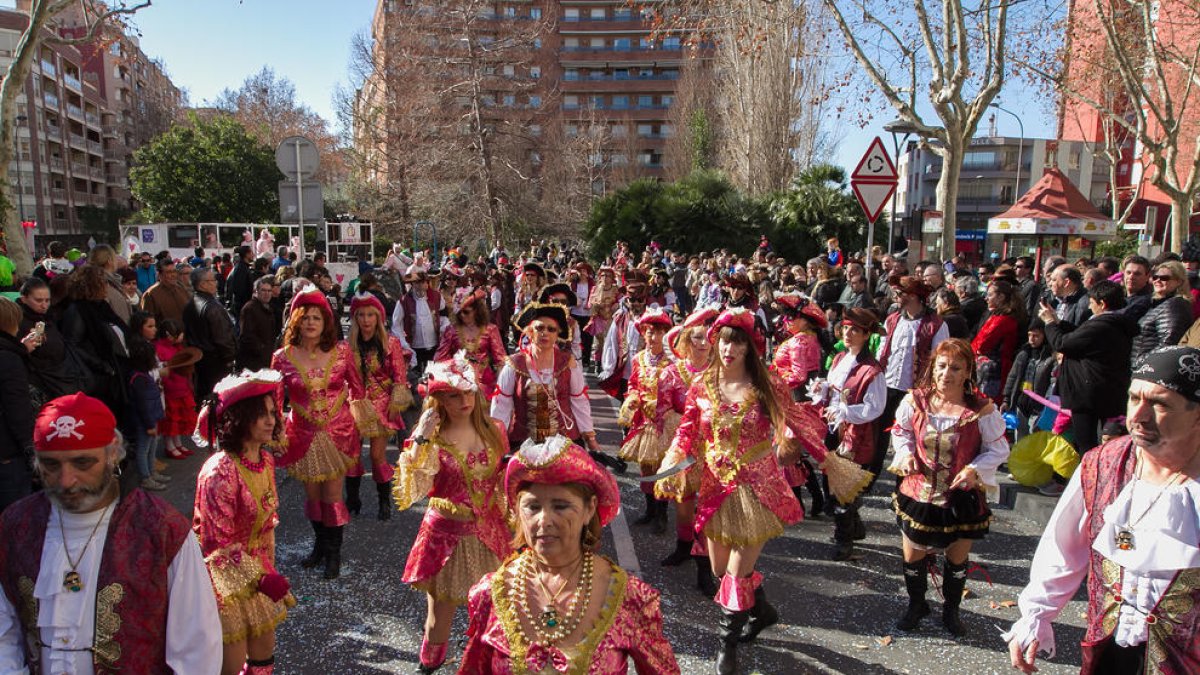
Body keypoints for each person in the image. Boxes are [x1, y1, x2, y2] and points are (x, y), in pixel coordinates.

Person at [659, 308, 840, 674]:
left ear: (749, 347)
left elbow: (796, 422)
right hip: (715, 488)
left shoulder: (766, 385)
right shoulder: (702, 386)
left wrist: (829, 463)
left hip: (757, 487)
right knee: (719, 568)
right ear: (715, 343)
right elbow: (687, 431)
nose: (729, 349)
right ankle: (763, 610)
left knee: (737, 573)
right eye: (725, 341)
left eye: (737, 342)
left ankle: (726, 647)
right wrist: (671, 458)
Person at [1005, 345, 1200, 675]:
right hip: (1107, 651)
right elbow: (1062, 547)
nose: (1138, 415)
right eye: (1134, 398)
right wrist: (1036, 617)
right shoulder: (1103, 463)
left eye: (1160, 404)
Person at [0, 392, 223, 672]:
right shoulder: (15, 524)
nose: (66, 481)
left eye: (83, 463)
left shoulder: (161, 528)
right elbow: (4, 629)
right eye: (51, 465)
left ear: (112, 451)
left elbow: (197, 647)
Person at [459, 435, 680, 674]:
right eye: (533, 507)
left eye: (561, 506)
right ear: (517, 511)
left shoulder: (629, 599)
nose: (544, 521)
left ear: (589, 509)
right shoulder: (491, 594)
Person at [394, 355, 510, 673]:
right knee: (438, 620)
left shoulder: (495, 430)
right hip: (445, 539)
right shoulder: (433, 437)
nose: (464, 401)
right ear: (440, 399)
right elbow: (412, 488)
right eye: (454, 395)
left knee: (493, 616)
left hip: (488, 535)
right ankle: (429, 667)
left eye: (468, 392)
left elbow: (503, 485)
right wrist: (421, 437)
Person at [888, 339, 1010, 636]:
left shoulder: (981, 410)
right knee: (913, 556)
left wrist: (973, 469)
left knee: (956, 558)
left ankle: (951, 611)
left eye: (955, 368)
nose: (946, 374)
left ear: (968, 371)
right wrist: (904, 455)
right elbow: (901, 432)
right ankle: (917, 605)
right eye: (941, 366)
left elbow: (998, 449)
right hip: (918, 492)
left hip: (959, 498)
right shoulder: (914, 401)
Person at [193, 370, 296, 675]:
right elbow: (215, 545)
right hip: (222, 584)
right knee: (231, 665)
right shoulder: (220, 472)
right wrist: (261, 579)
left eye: (271, 413)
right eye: (260, 415)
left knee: (264, 656)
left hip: (256, 569)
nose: (272, 421)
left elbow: (265, 526)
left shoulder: (264, 459)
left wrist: (267, 570)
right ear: (239, 419)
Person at [271, 288, 358, 580]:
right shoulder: (282, 358)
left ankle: (334, 554)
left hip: (339, 433)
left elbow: (358, 390)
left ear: (326, 321)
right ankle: (320, 546)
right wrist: (275, 432)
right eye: (305, 317)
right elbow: (274, 401)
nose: (310, 322)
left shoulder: (342, 352)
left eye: (316, 317)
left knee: (332, 495)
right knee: (312, 497)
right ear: (295, 320)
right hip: (302, 435)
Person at [491, 302, 619, 471]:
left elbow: (579, 402)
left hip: (564, 442)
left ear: (558, 334)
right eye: (540, 328)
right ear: (530, 331)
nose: (545, 333)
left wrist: (591, 440)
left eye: (551, 329)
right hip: (523, 443)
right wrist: (498, 444)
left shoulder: (567, 363)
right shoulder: (514, 364)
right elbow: (501, 406)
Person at [808, 307, 886, 562]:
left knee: (842, 488)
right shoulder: (840, 357)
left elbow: (874, 408)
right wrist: (822, 390)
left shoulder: (872, 370)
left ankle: (845, 539)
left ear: (866, 335)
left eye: (855, 330)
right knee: (833, 481)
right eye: (845, 328)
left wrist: (844, 411)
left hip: (854, 434)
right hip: (833, 429)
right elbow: (833, 390)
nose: (848, 333)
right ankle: (854, 525)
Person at [1040, 281, 1138, 454]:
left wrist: (1049, 323)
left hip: (1088, 394)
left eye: (1092, 303)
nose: (1090, 307)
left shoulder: (1103, 325)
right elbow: (1079, 336)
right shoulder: (1113, 324)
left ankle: (1092, 477)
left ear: (1102, 304)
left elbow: (1062, 343)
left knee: (1087, 445)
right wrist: (1058, 322)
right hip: (1103, 391)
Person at [617, 308, 685, 534]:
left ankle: (662, 514)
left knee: (662, 468)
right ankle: (649, 510)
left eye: (658, 332)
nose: (652, 337)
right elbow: (633, 385)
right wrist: (633, 398)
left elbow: (681, 393)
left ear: (666, 336)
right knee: (646, 469)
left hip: (666, 422)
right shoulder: (638, 360)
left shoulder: (674, 362)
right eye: (648, 332)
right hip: (644, 422)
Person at [345, 292, 412, 521]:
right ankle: (352, 499)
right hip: (354, 404)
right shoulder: (348, 345)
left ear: (378, 317)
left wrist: (396, 403)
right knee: (352, 456)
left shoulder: (390, 343)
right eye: (361, 315)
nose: (365, 320)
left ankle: (384, 501)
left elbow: (399, 376)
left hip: (382, 405)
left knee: (376, 456)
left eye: (370, 315)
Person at [875, 275, 949, 479]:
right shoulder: (893, 319)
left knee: (910, 437)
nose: (896, 297)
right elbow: (882, 349)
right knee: (879, 434)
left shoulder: (935, 324)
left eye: (900, 293)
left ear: (915, 296)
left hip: (915, 391)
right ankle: (869, 478)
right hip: (888, 385)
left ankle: (905, 483)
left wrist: (930, 390)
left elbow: (939, 359)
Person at [434, 290, 506, 400]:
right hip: (459, 382)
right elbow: (440, 358)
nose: (462, 315)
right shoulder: (451, 330)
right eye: (460, 312)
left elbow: (500, 359)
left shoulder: (490, 329)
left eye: (466, 312)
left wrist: (501, 386)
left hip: (485, 383)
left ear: (477, 311)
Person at [0, 297, 35, 512]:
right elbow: (17, 408)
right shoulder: (8, 359)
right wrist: (30, 447)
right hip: (8, 452)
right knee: (16, 514)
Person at [186, 267, 237, 401]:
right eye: (213, 280)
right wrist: (231, 359)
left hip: (200, 363)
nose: (216, 283)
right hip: (215, 364)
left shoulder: (191, 303)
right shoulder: (212, 307)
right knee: (218, 402)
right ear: (202, 284)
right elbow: (223, 338)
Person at [598, 271, 650, 401]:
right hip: (625, 374)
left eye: (640, 300)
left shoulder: (652, 318)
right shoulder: (620, 318)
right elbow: (611, 343)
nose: (636, 303)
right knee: (625, 412)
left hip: (646, 375)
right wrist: (608, 368)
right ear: (626, 300)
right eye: (632, 300)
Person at [972, 279, 1025, 402]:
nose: (986, 298)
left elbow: (980, 345)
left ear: (1001, 297)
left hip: (993, 371)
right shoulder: (1003, 316)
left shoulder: (1002, 320)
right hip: (995, 368)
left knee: (985, 407)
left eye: (990, 295)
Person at [126, 337, 167, 491]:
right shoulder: (139, 379)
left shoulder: (143, 376)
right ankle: (145, 477)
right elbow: (143, 406)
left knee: (152, 446)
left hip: (151, 419)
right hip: (145, 422)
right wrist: (150, 425)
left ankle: (152, 472)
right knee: (144, 449)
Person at [391, 270, 449, 374]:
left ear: (427, 283)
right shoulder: (403, 301)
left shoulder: (437, 297)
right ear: (412, 284)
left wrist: (443, 328)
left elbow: (444, 314)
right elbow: (396, 325)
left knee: (433, 376)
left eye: (423, 282)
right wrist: (404, 344)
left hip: (434, 345)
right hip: (414, 348)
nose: (421, 285)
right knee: (416, 378)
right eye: (417, 283)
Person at [1132, 260, 1193, 360]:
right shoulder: (1160, 304)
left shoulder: (1175, 305)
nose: (1157, 280)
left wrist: (1144, 364)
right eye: (1155, 277)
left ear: (1179, 281)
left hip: (1150, 370)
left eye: (1164, 278)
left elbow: (1168, 344)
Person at [770, 294, 826, 400]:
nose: (786, 320)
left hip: (795, 397)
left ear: (804, 321)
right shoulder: (810, 337)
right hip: (806, 395)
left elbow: (799, 376)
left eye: (790, 317)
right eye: (785, 316)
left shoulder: (799, 341)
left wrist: (774, 386)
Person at [239, 276, 279, 371]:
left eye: (269, 291)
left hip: (266, 358)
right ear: (256, 291)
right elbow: (247, 336)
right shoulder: (250, 308)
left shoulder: (268, 308)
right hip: (254, 361)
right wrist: (263, 350)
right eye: (263, 291)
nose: (267, 294)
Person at [586, 266, 619, 369]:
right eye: (603, 275)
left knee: (609, 341)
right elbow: (589, 304)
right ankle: (597, 364)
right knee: (598, 342)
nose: (605, 277)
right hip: (598, 317)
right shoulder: (595, 288)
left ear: (612, 277)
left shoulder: (615, 289)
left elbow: (620, 302)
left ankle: (608, 364)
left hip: (610, 318)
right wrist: (595, 305)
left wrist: (616, 305)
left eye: (607, 275)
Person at [141, 258, 191, 326]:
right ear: (159, 275)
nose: (173, 275)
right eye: (169, 272)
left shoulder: (181, 289)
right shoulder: (151, 295)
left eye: (174, 271)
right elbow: (148, 324)